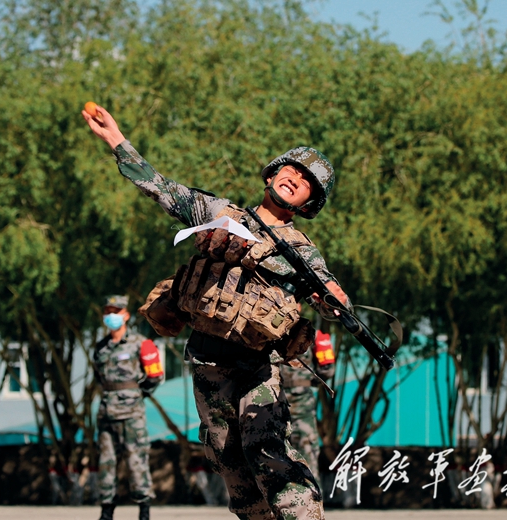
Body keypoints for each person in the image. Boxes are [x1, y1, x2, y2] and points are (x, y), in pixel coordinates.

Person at [83, 105, 351, 519]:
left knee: (269, 454)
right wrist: (116, 140)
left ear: (308, 203)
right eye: (292, 170)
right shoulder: (218, 214)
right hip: (208, 367)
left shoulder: (300, 250)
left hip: (257, 368)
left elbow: (329, 296)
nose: (295, 179)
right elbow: (160, 187)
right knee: (233, 471)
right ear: (270, 175)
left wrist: (333, 299)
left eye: (306, 183)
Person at [94, 295, 164, 520]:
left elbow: (155, 375)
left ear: (126, 315)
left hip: (131, 414)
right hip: (106, 412)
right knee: (106, 463)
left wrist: (138, 394)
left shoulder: (141, 343)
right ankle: (106, 511)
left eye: (115, 311)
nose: (111, 316)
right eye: (107, 312)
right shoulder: (100, 347)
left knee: (136, 461)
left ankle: (144, 510)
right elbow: (99, 378)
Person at [279, 331, 336, 485]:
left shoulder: (313, 334)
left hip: (297, 406)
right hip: (278, 403)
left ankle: (311, 496)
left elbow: (327, 368)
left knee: (305, 459)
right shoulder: (309, 332)